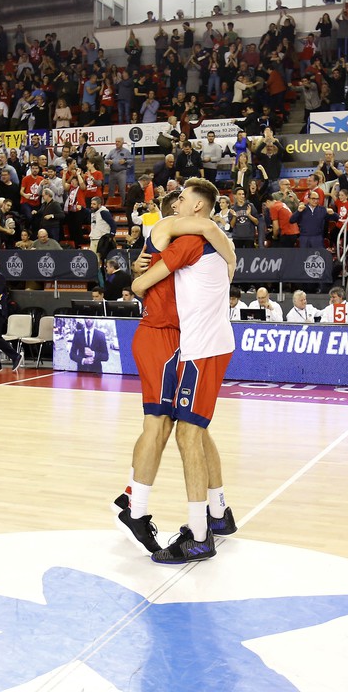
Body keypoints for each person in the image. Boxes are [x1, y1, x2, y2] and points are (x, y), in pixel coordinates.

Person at [112, 190, 235, 555]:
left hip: (184, 339)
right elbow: (137, 283)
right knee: (165, 426)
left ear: (195, 204)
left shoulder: (187, 242)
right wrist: (230, 253)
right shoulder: (172, 228)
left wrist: (227, 251)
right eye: (176, 200)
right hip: (162, 337)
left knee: (191, 429)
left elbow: (206, 228)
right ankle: (137, 504)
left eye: (183, 197)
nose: (176, 201)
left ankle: (214, 512)